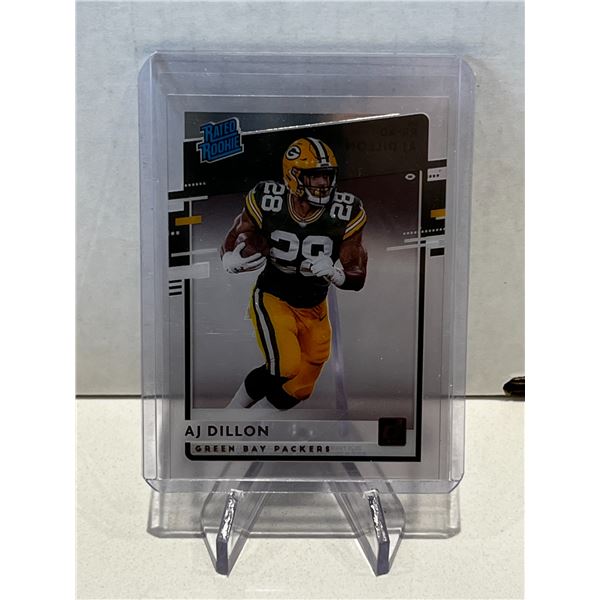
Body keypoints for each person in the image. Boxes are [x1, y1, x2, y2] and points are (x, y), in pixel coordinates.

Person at [221, 137, 368, 410]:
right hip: (274, 296)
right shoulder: (268, 200)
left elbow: (357, 274)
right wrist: (229, 256)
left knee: (300, 387)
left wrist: (337, 275)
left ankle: (258, 422)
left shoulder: (345, 211)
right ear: (294, 176)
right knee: (285, 366)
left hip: (315, 306)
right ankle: (232, 414)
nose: (323, 183)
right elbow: (238, 234)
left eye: (327, 176)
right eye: (314, 176)